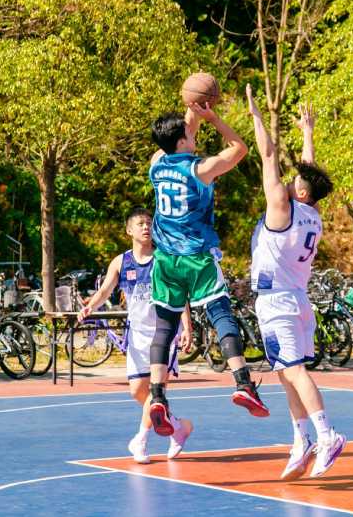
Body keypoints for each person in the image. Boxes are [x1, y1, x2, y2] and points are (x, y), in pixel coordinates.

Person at [147, 102, 269, 437]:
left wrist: (193, 111)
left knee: (164, 327)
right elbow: (239, 149)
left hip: (165, 259)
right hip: (196, 256)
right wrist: (213, 118)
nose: (194, 136)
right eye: (190, 134)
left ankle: (158, 396)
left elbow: (181, 135)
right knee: (220, 313)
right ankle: (242, 383)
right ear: (182, 140)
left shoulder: (156, 164)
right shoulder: (201, 169)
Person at [246, 85, 344, 479]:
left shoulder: (282, 208)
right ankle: (301, 439)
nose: (287, 181)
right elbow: (310, 175)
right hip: (298, 300)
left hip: (278, 302)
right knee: (287, 372)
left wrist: (256, 117)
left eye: (295, 181)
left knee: (295, 372)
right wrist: (307, 133)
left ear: (299, 191)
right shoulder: (311, 212)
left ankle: (327, 434)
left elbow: (268, 155)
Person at [78, 208, 194, 463]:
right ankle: (177, 427)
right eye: (140, 223)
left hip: (164, 333)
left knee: (155, 390)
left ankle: (140, 439)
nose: (145, 227)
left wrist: (187, 326)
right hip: (137, 335)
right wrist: (90, 307)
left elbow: (180, 295)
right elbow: (105, 290)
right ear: (129, 230)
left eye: (149, 223)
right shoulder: (121, 262)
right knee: (137, 391)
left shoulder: (164, 258)